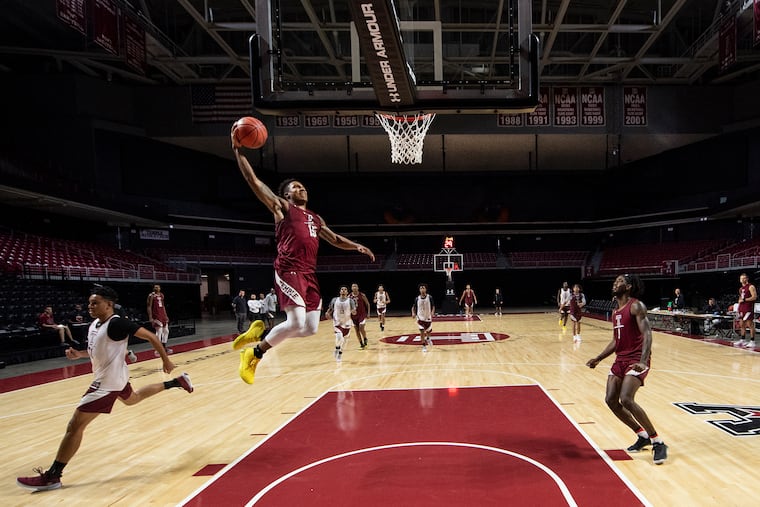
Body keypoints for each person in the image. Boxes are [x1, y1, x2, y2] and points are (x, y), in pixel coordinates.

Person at [16, 286, 193, 492]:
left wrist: (166, 361)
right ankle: (177, 382)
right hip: (115, 377)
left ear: (108, 304)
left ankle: (53, 476)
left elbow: (152, 337)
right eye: (90, 303)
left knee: (75, 426)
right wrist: (79, 355)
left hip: (107, 384)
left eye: (95, 303)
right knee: (132, 399)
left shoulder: (117, 323)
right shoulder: (93, 325)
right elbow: (94, 352)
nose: (90, 306)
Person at [230, 141, 375, 384]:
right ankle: (254, 354)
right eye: (296, 187)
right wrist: (237, 151)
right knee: (295, 321)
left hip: (309, 273)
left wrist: (356, 246)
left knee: (310, 328)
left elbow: (335, 238)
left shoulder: (315, 218)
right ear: (287, 194)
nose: (302, 188)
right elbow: (254, 182)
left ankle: (260, 333)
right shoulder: (282, 208)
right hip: (289, 269)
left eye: (303, 186)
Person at [585, 274, 668, 465]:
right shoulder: (615, 311)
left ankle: (658, 442)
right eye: (615, 281)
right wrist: (598, 358)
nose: (615, 283)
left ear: (629, 287)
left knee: (627, 399)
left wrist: (644, 360)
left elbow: (647, 333)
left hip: (636, 359)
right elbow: (616, 340)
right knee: (611, 400)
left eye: (620, 281)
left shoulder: (636, 306)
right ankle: (642, 435)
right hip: (620, 359)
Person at [325, 285, 356, 362]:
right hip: (337, 322)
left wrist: (354, 312)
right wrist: (327, 313)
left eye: (345, 289)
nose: (343, 290)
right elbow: (330, 309)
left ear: (347, 292)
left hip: (347, 322)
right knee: (339, 337)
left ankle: (339, 352)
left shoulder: (350, 301)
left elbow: (354, 310)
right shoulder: (335, 300)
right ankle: (337, 348)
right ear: (340, 291)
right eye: (342, 289)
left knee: (344, 341)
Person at [146, 284, 171, 356]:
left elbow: (163, 306)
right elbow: (149, 306)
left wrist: (166, 315)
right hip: (156, 315)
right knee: (159, 331)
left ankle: (163, 347)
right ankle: (157, 350)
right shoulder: (151, 295)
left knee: (166, 331)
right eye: (155, 287)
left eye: (158, 287)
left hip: (162, 314)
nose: (156, 288)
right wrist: (150, 317)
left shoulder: (162, 295)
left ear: (160, 288)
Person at [734, 273, 757, 348]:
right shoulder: (740, 289)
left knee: (750, 325)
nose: (742, 280)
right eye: (741, 278)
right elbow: (740, 299)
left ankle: (752, 341)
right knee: (742, 324)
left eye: (744, 278)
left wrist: (744, 300)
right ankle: (743, 339)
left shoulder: (751, 286)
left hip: (748, 308)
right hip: (741, 308)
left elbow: (754, 297)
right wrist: (738, 307)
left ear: (747, 279)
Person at [412, 283, 435, 353]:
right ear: (419, 290)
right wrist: (413, 313)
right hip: (420, 317)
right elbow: (413, 307)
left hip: (428, 317)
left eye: (423, 288)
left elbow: (433, 306)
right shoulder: (417, 298)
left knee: (428, 331)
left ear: (426, 289)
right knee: (422, 331)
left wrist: (432, 312)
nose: (422, 289)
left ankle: (428, 338)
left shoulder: (430, 297)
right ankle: (424, 346)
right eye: (421, 288)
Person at [350, 283, 371, 349]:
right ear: (351, 288)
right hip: (353, 316)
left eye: (355, 286)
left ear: (358, 288)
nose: (354, 287)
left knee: (361, 327)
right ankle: (361, 343)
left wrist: (368, 313)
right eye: (353, 286)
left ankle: (365, 338)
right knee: (357, 330)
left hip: (362, 314)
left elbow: (368, 304)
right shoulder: (349, 296)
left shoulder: (362, 295)